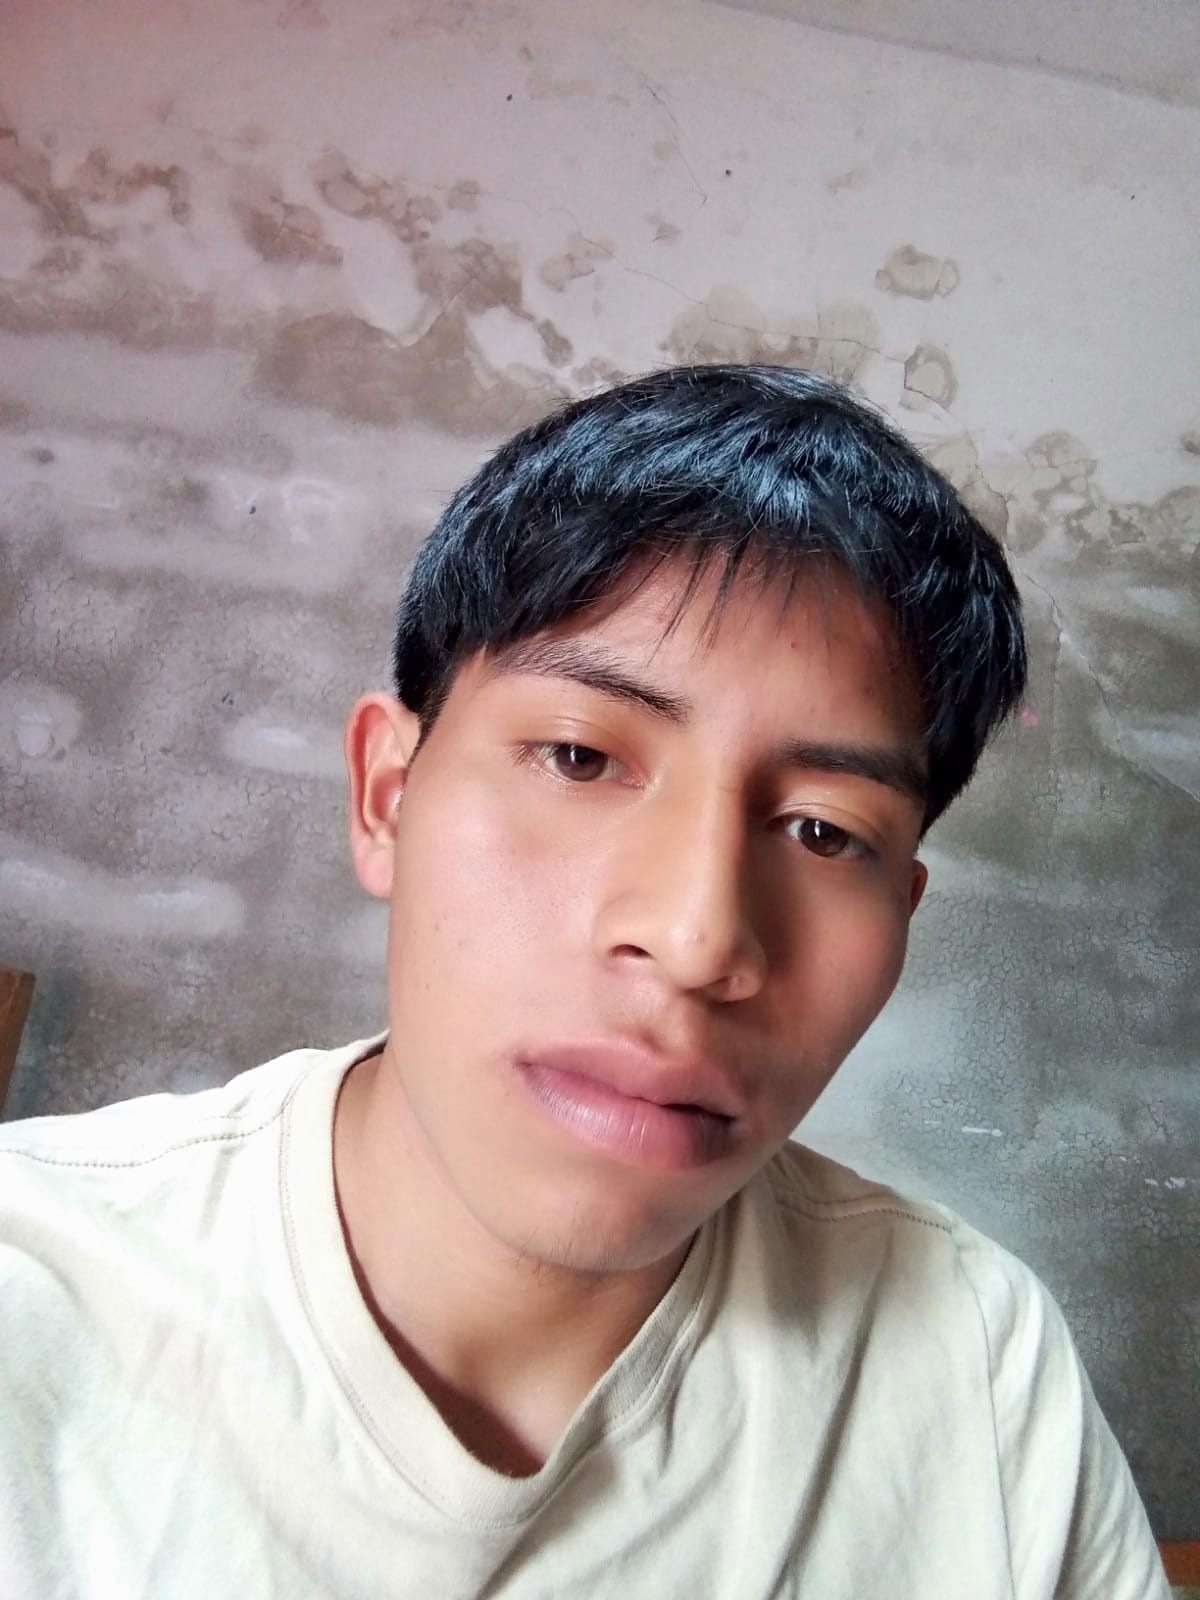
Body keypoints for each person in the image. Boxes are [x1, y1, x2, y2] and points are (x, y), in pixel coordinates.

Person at [0, 365, 1166, 1598]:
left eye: (826, 831)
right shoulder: (36, 1296)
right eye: (577, 756)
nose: (698, 938)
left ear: (905, 913)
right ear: (387, 795)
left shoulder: (975, 1368)